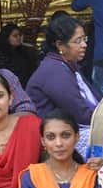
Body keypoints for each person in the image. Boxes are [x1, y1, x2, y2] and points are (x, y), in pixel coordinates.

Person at [26, 14, 99, 156]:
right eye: (78, 41)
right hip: (56, 140)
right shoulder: (53, 71)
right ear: (60, 45)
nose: (84, 45)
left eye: (84, 39)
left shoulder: (68, 64)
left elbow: (95, 99)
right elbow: (82, 115)